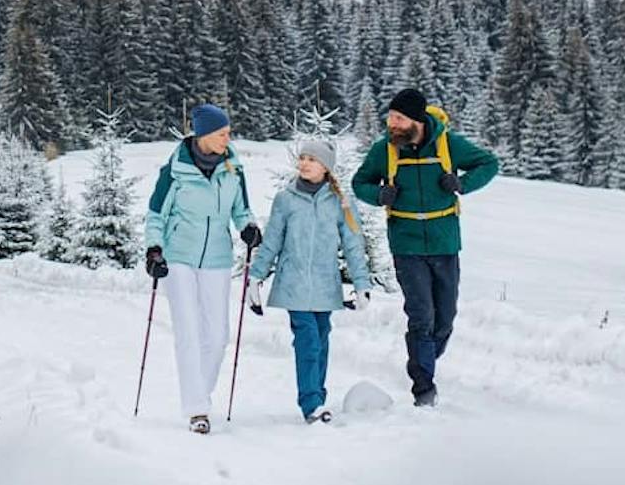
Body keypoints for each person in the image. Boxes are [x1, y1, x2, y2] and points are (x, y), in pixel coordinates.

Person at [351, 88, 499, 407]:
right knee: (421, 316)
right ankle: (423, 388)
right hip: (406, 243)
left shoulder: (447, 145)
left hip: (445, 241)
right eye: (390, 117)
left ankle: (425, 359)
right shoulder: (385, 151)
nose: (392, 124)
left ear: (416, 121)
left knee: (445, 318)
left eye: (398, 118)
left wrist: (461, 184)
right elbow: (359, 183)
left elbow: (488, 163)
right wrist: (379, 196)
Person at [144, 104, 261, 434]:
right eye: (222, 133)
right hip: (178, 255)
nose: (228, 138)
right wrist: (154, 249)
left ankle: (200, 395)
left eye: (228, 133)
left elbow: (242, 210)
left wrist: (248, 227)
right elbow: (156, 214)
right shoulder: (175, 171)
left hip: (218, 259)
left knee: (218, 335)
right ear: (204, 134)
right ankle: (197, 409)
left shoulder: (233, 169)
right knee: (188, 331)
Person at [246, 140, 372, 424]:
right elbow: (272, 242)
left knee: (322, 337)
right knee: (308, 340)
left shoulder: (341, 201)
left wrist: (361, 284)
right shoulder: (286, 199)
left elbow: (353, 243)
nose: (303, 163)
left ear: (325, 166)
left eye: (311, 159)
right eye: (302, 158)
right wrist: (256, 277)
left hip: (325, 284)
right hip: (294, 282)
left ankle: (317, 396)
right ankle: (311, 403)